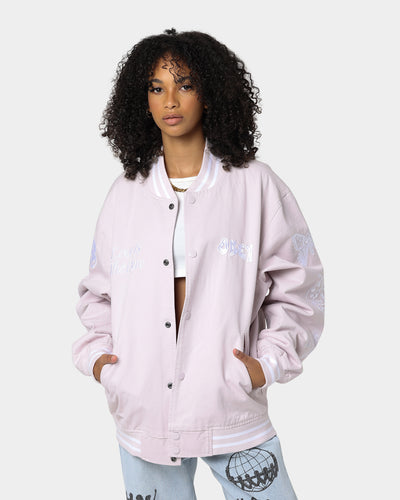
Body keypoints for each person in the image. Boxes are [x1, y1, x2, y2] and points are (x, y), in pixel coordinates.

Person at [72, 27, 325, 500]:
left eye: (184, 85)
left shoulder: (256, 186)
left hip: (229, 404)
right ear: (142, 101)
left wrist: (265, 365)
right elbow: (98, 293)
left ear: (209, 95)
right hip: (143, 408)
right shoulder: (124, 195)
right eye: (156, 88)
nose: (170, 100)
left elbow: (300, 287)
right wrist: (104, 364)